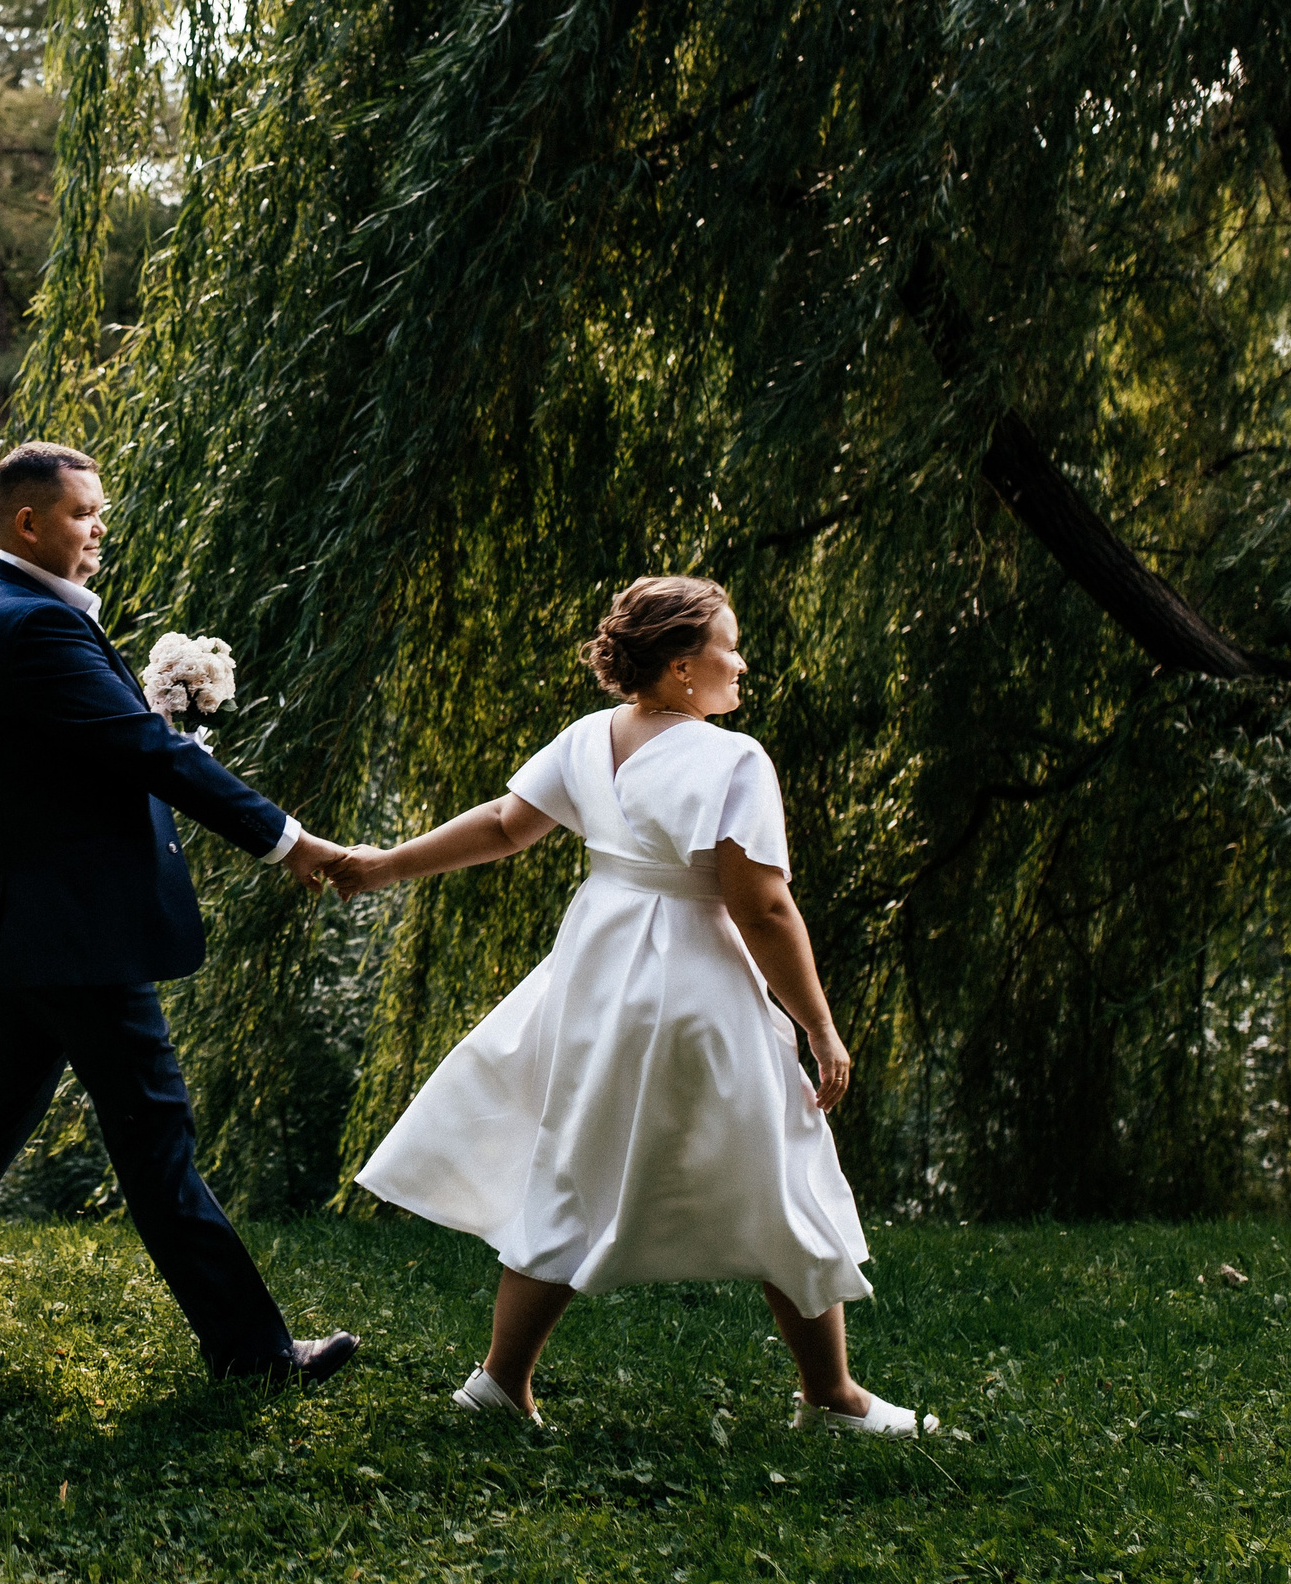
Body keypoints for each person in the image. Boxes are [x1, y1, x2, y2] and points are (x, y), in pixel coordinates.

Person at [330, 576, 931, 1436]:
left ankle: (500, 1382)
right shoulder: (733, 758)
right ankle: (831, 1397)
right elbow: (760, 906)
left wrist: (386, 863)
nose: (743, 661)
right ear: (684, 667)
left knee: (578, 1159)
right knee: (783, 1164)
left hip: (598, 967)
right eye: (730, 645)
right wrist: (820, 1025)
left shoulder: (587, 738)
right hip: (694, 979)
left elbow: (504, 825)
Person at [0, 440, 361, 1385]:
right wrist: (293, 842)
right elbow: (149, 760)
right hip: (74, 936)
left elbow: (91, 752)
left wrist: (153, 716)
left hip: (36, 927)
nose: (97, 533)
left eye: (99, 516)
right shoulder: (32, 624)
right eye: (83, 515)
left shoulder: (14, 610)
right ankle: (254, 1353)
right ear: (27, 522)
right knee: (156, 1141)